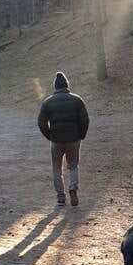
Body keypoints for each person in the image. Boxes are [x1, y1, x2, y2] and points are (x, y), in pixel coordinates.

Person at [37, 71, 90, 206]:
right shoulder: (77, 100)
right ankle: (73, 188)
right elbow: (85, 121)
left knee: (57, 168)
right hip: (74, 140)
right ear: (67, 85)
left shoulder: (47, 102)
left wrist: (49, 136)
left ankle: (61, 197)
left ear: (55, 86)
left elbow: (41, 122)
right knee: (73, 166)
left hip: (56, 140)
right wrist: (81, 135)